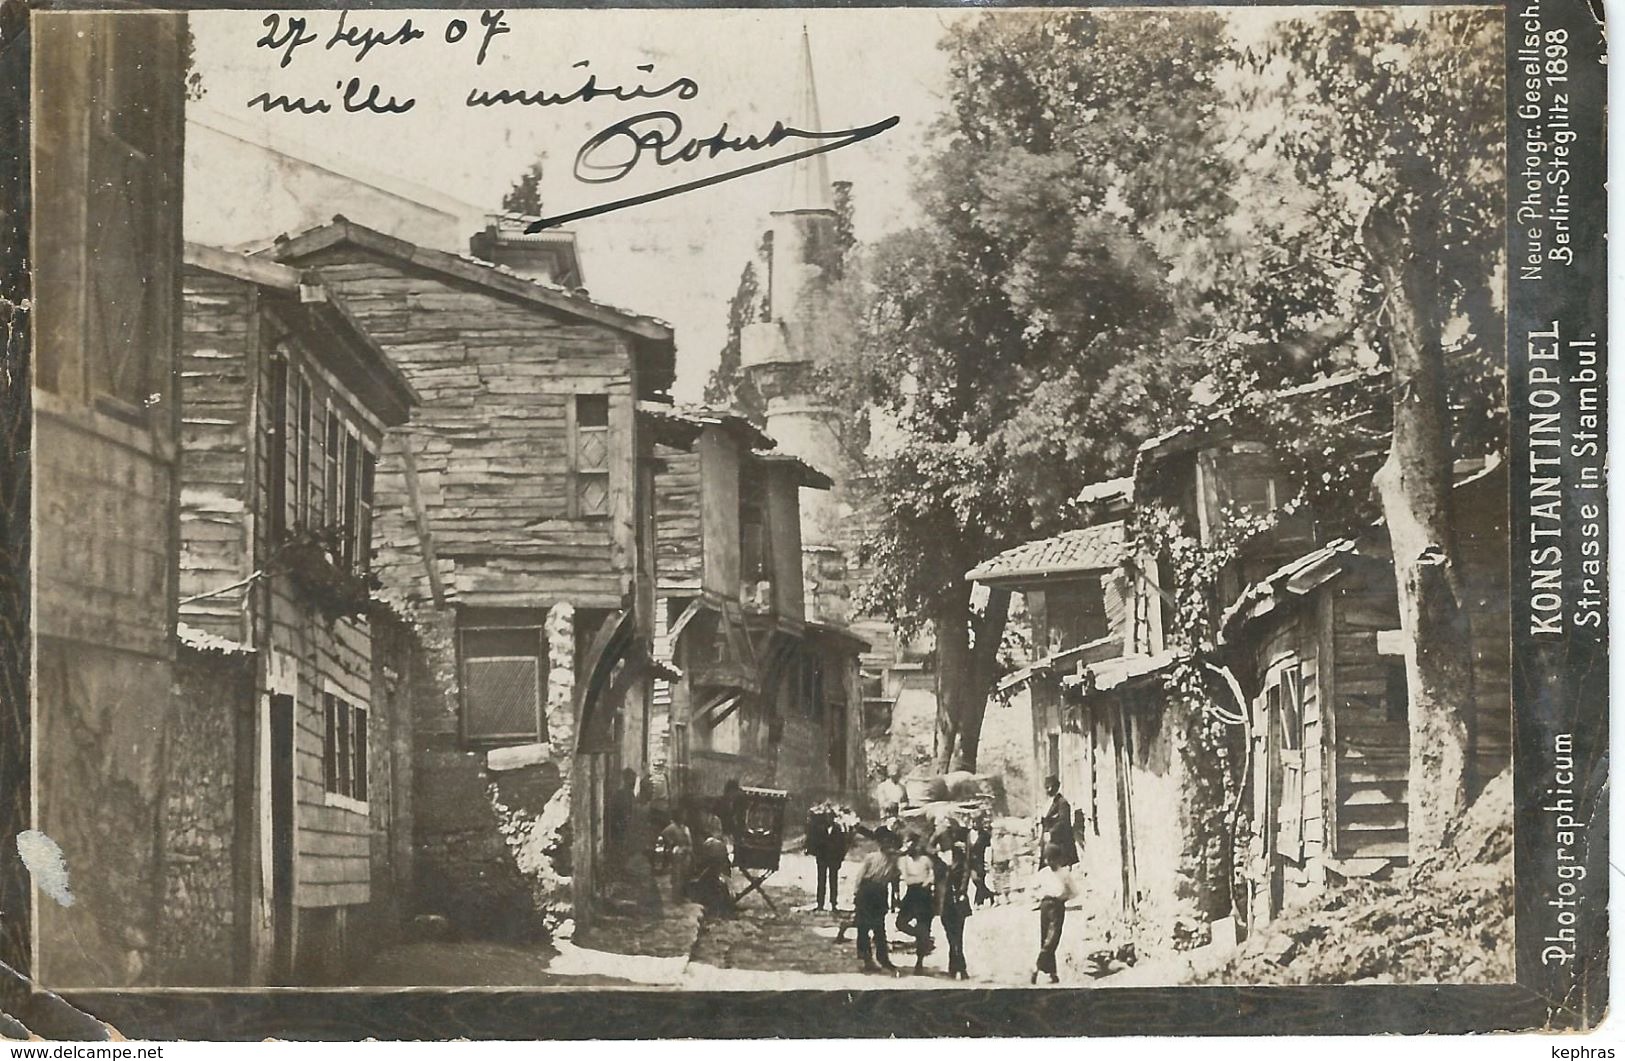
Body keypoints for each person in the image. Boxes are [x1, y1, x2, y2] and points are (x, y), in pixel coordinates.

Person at [852, 828, 901, 973]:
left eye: (888, 841)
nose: (886, 844)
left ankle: (883, 957)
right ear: (879, 843)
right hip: (867, 890)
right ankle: (866, 959)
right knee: (863, 926)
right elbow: (860, 876)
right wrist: (856, 894)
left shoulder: (895, 859)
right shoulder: (871, 857)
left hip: (880, 892)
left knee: (879, 927)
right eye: (883, 841)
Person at [1032, 843, 1074, 984]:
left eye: (1052, 859)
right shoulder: (1044, 873)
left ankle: (1044, 969)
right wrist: (1039, 896)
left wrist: (1063, 897)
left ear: (1058, 859)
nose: (1049, 862)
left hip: (1055, 906)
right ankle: (1046, 970)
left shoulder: (1064, 873)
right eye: (1047, 859)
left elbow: (1073, 891)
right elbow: (1032, 888)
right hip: (1047, 905)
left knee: (1051, 937)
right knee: (1048, 937)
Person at [894, 833, 937, 970]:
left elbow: (933, 875)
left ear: (917, 845)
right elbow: (898, 876)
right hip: (911, 893)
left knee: (924, 925)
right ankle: (923, 937)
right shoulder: (903, 860)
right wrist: (896, 893)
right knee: (900, 923)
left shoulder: (925, 860)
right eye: (907, 843)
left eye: (912, 844)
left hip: (924, 895)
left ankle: (919, 962)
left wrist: (928, 882)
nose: (910, 847)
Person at [805, 802, 850, 912]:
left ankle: (833, 903)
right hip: (822, 859)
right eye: (827, 817)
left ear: (834, 818)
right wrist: (816, 854)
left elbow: (842, 846)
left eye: (831, 817)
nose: (829, 819)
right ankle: (820, 904)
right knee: (821, 880)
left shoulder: (838, 830)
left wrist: (840, 859)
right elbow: (815, 843)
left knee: (833, 881)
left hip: (834, 859)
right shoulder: (820, 829)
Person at [939, 839, 974, 980]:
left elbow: (965, 880)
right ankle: (956, 967)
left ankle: (958, 967)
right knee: (951, 936)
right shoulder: (944, 864)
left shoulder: (963, 866)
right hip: (945, 903)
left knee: (957, 936)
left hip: (958, 902)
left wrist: (962, 892)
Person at [656, 800, 693, 902]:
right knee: (677, 876)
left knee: (685, 875)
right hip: (677, 855)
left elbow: (689, 842)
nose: (684, 816)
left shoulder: (685, 828)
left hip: (686, 855)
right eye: (683, 814)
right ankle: (676, 897)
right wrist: (671, 846)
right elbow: (664, 836)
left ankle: (683, 896)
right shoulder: (671, 828)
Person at [1039, 776, 1079, 869]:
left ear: (1056, 787)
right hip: (1048, 842)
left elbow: (1063, 822)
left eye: (1050, 787)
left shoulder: (1062, 803)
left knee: (1059, 868)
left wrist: (1051, 832)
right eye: (1046, 787)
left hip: (1060, 843)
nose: (1048, 790)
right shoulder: (1049, 802)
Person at [607, 768, 638, 866]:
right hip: (620, 826)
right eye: (631, 779)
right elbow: (615, 811)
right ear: (626, 779)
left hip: (627, 826)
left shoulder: (630, 794)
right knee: (620, 847)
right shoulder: (620, 794)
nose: (633, 782)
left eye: (634, 779)